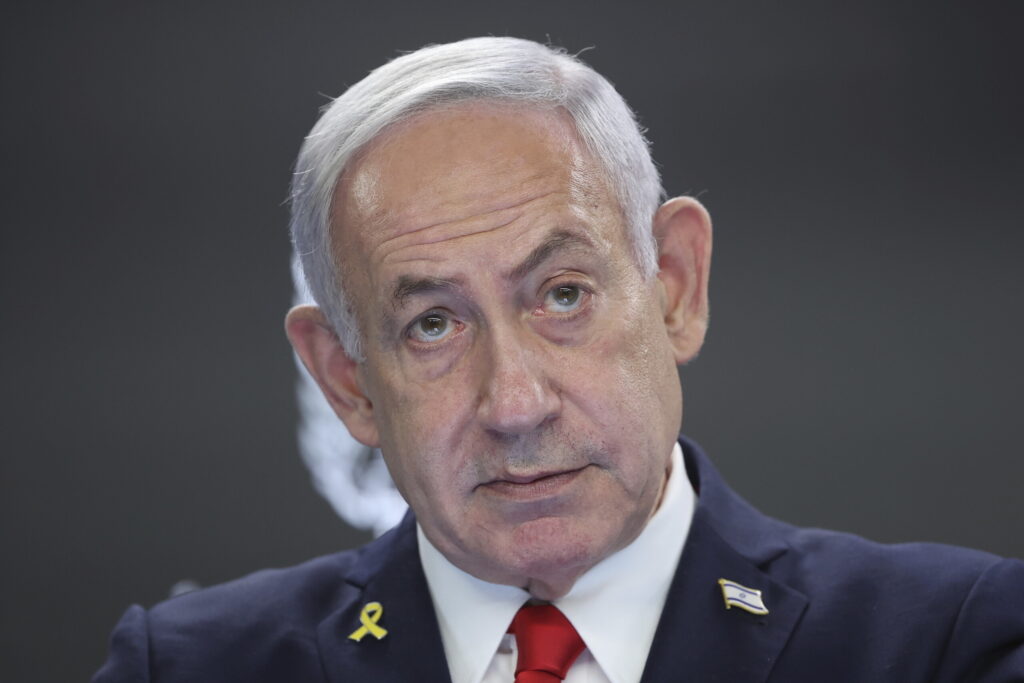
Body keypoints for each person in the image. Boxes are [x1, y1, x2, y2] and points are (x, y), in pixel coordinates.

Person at [94, 37, 1024, 682]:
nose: (515, 403)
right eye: (432, 324)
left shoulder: (947, 644)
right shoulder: (189, 668)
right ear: (346, 378)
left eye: (563, 295)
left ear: (674, 287)